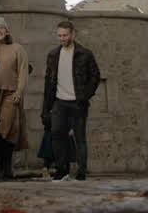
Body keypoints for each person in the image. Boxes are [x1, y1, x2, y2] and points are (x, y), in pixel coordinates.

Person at [42, 20, 101, 181]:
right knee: (57, 134)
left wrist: (85, 95)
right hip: (59, 102)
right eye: (59, 35)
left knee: (80, 137)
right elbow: (49, 82)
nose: (62, 38)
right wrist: (45, 108)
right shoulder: (53, 55)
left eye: (65, 35)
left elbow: (95, 76)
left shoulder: (85, 54)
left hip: (78, 102)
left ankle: (81, 171)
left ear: (73, 34)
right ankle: (62, 169)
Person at [0, 17, 28, 180]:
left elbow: (23, 71)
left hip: (11, 93)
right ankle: (0, 168)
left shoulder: (17, 48)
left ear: (6, 31)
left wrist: (20, 90)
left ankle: (7, 166)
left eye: (1, 28)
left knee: (8, 129)